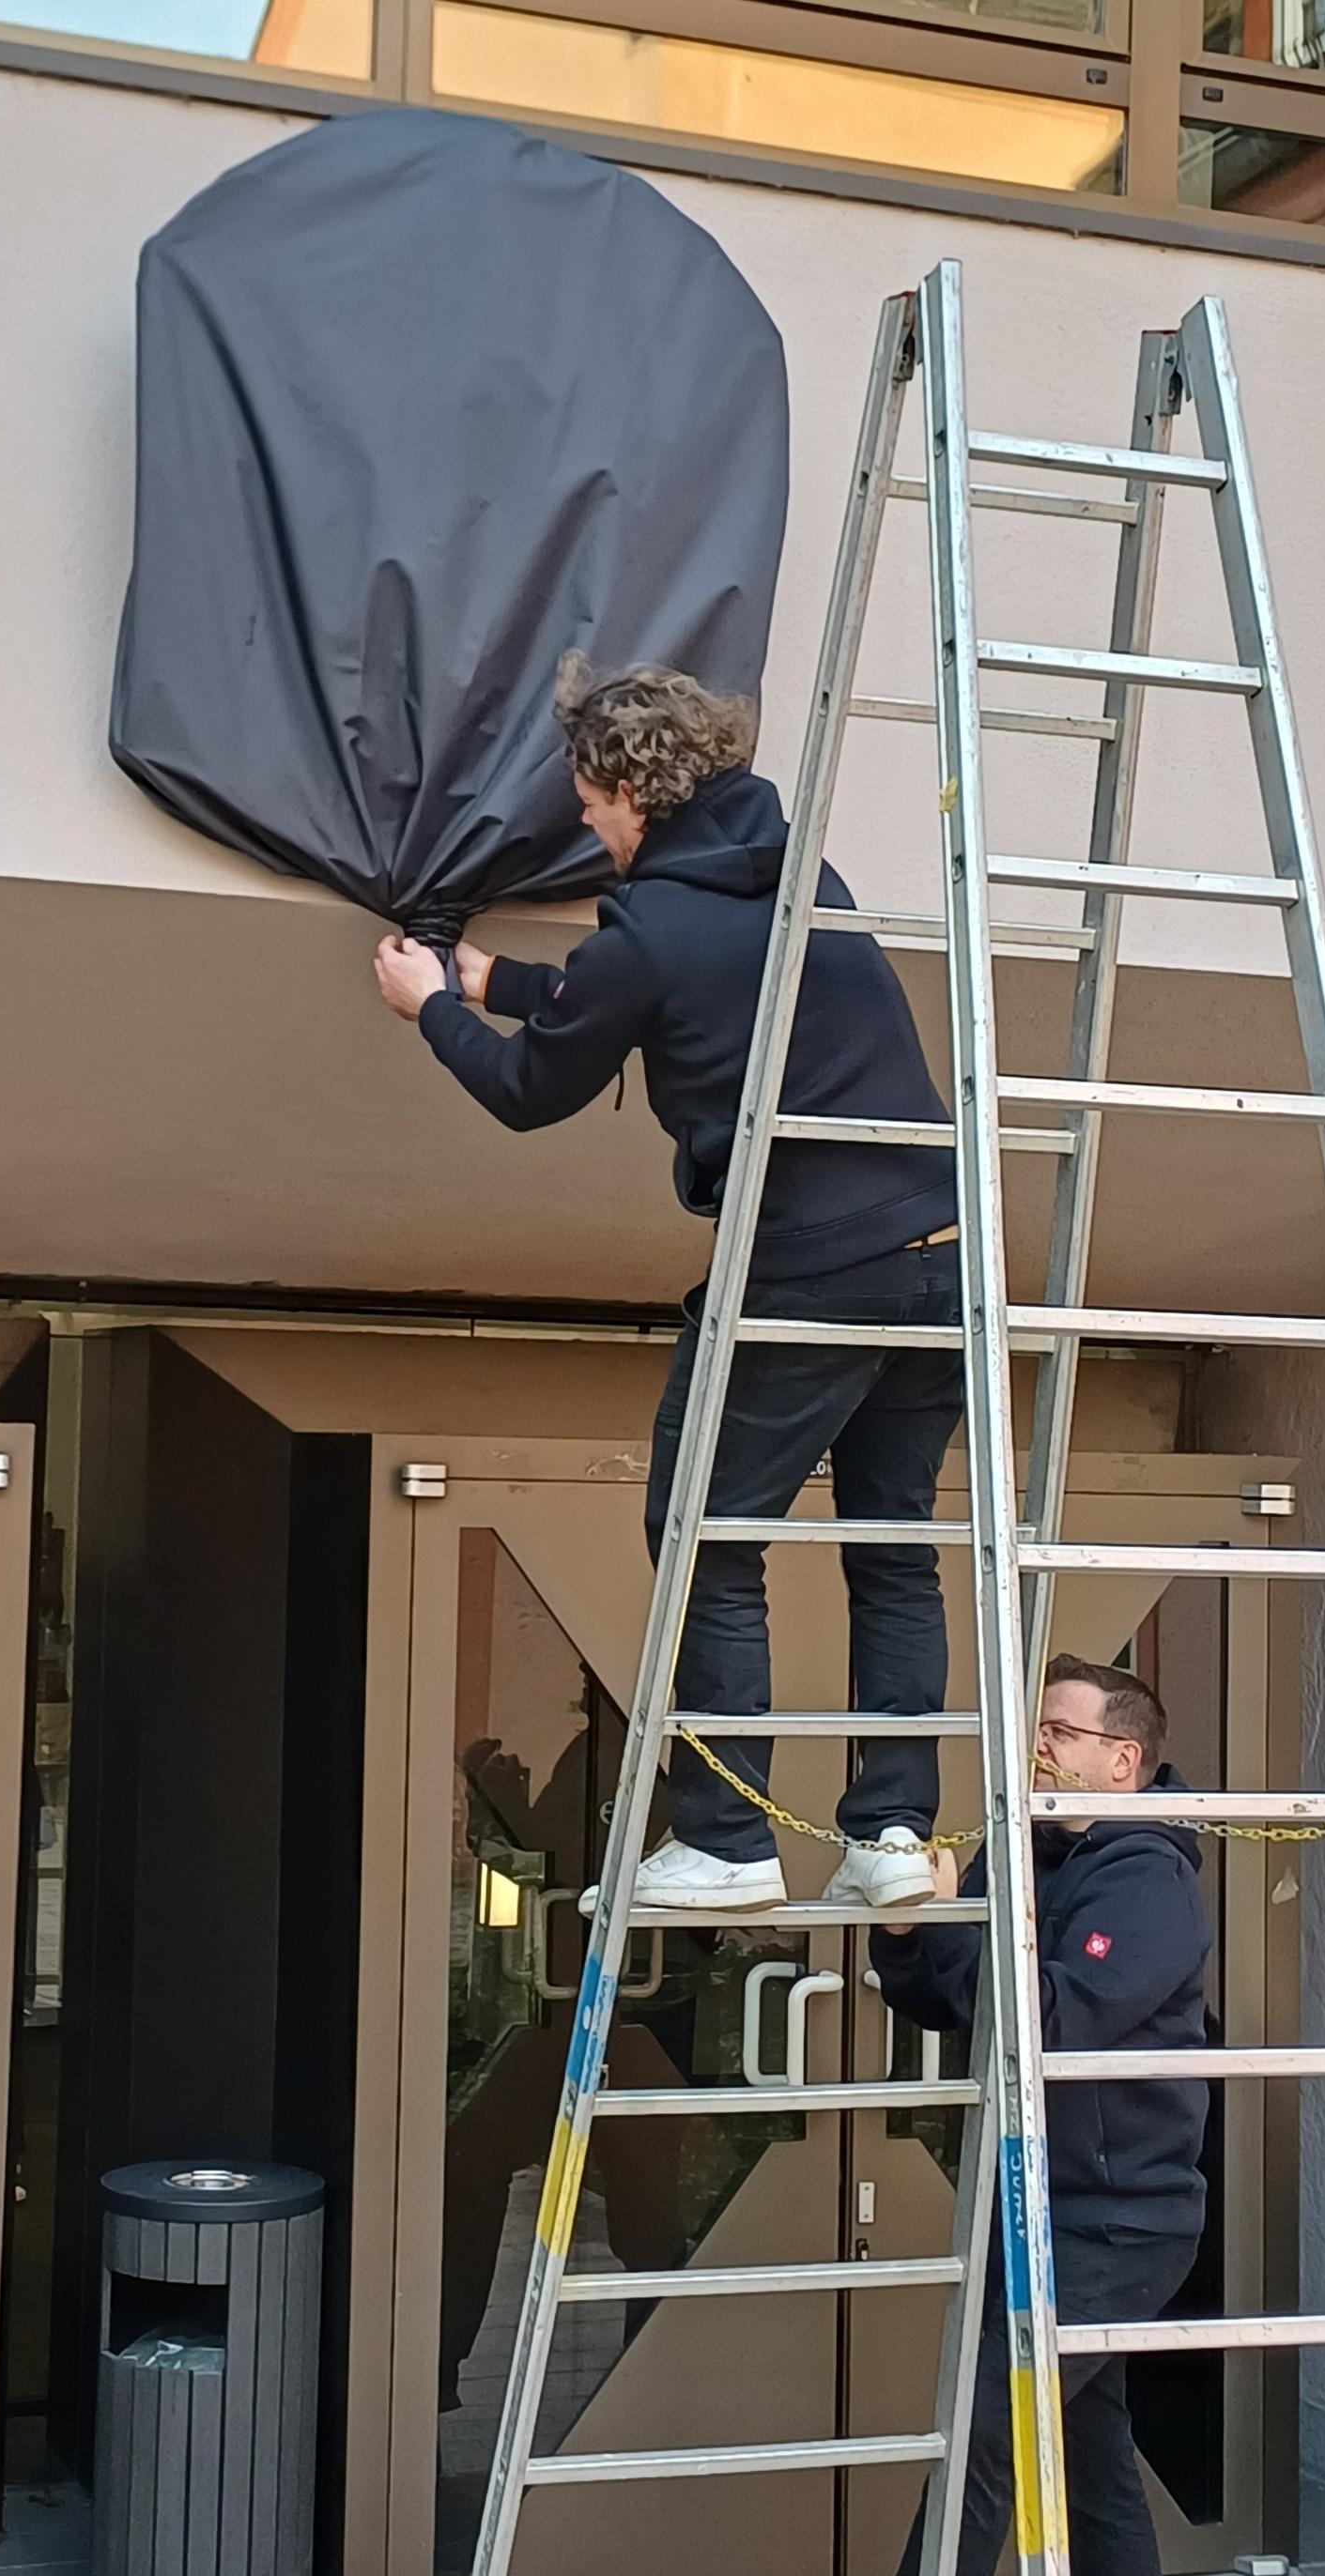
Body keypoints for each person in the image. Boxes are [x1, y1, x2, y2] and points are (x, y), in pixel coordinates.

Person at [374, 655, 962, 1911]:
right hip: (936, 1258)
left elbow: (533, 1093)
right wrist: (504, 982)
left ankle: (728, 1839)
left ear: (629, 792)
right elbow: (660, 994)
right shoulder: (806, 875)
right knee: (891, 1542)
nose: (581, 820)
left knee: (704, 1532)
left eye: (587, 797)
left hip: (807, 1266)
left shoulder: (646, 926)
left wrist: (431, 1006)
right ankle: (890, 1836)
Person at [842, 1655, 1209, 2576]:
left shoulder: (1144, 1874)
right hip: (1047, 2202)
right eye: (1036, 1725)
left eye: (1059, 1729)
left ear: (1121, 1759)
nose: (1037, 1744)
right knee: (1091, 2468)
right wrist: (914, 1928)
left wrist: (960, 1929)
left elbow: (1043, 2019)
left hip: (1118, 2219)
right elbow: (945, 2000)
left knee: (982, 2448)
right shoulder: (1048, 1851)